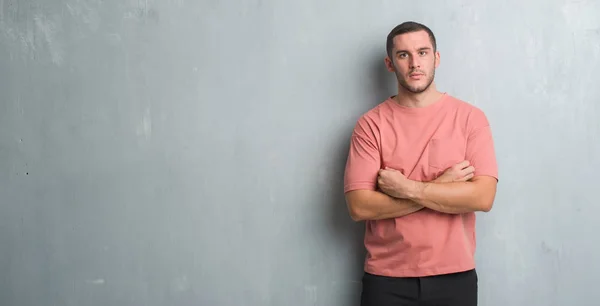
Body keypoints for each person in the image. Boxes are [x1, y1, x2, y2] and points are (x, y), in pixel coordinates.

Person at [343, 21, 499, 306]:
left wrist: (407, 188)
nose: (415, 63)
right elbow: (359, 207)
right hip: (386, 278)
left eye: (423, 52)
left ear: (436, 58)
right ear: (390, 64)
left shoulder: (470, 119)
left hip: (455, 276)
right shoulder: (370, 125)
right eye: (403, 55)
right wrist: (441, 186)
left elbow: (483, 197)